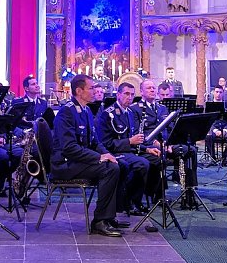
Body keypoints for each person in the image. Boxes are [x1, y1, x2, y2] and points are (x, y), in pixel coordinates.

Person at [52, 74, 123, 236]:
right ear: (79, 90)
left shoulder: (86, 110)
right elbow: (69, 148)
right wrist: (99, 158)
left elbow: (94, 142)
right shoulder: (66, 112)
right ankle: (99, 221)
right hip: (65, 164)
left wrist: (107, 154)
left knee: (119, 164)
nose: (95, 91)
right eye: (91, 88)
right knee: (109, 169)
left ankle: (109, 216)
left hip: (79, 161)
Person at [96, 82, 153, 215]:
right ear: (118, 94)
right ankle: (130, 202)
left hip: (129, 151)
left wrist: (147, 149)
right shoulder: (108, 114)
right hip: (114, 152)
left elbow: (134, 138)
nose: (130, 97)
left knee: (153, 160)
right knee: (141, 164)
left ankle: (135, 200)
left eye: (132, 94)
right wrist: (129, 142)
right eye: (126, 94)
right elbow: (106, 143)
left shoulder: (130, 113)